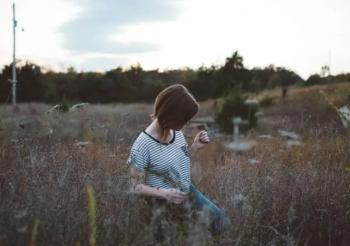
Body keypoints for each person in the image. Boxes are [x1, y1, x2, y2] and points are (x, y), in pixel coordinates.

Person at [126, 84, 231, 236]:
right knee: (180, 237)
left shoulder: (175, 132)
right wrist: (165, 193)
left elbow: (179, 163)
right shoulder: (142, 145)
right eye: (184, 120)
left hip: (187, 191)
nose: (186, 124)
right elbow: (137, 187)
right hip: (163, 202)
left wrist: (195, 147)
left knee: (221, 223)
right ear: (171, 114)